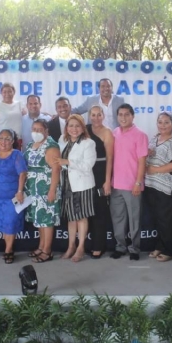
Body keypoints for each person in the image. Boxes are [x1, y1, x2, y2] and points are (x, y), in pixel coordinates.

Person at [54, 114, 96, 263]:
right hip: (66, 184)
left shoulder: (88, 143)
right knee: (71, 218)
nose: (74, 129)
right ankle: (71, 246)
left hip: (82, 185)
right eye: (71, 126)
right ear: (66, 128)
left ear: (83, 128)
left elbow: (87, 166)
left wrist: (68, 162)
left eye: (77, 126)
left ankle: (81, 247)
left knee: (81, 217)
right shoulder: (62, 140)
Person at [110, 104, 148, 260]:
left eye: (126, 114)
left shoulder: (140, 135)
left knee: (134, 219)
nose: (123, 117)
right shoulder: (114, 133)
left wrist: (138, 183)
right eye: (120, 114)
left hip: (133, 185)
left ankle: (134, 249)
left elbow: (142, 161)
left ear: (133, 116)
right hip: (115, 185)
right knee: (118, 218)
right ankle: (120, 247)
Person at [144, 112, 172, 262]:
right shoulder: (154, 139)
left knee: (164, 219)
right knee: (157, 219)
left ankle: (169, 250)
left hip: (167, 186)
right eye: (160, 122)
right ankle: (159, 246)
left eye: (166, 122)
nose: (163, 125)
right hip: (152, 185)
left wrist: (155, 170)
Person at [24, 120, 61, 263]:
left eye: (40, 129)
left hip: (46, 188)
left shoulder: (50, 146)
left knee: (47, 220)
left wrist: (52, 190)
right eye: (34, 129)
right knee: (39, 219)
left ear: (46, 131)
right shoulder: (29, 145)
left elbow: (56, 169)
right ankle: (41, 246)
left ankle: (47, 251)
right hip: (33, 189)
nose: (36, 132)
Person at [0, 129, 28, 264]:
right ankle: (8, 248)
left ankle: (8, 250)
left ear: (13, 141)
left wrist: (20, 191)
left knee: (10, 223)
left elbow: (23, 174)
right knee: (3, 224)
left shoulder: (17, 155)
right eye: (1, 138)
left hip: (13, 196)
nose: (3, 142)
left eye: (7, 139)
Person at [86, 106, 114, 258]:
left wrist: (107, 180)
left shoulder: (107, 132)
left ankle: (99, 245)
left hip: (100, 172)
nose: (96, 118)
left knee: (99, 210)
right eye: (93, 115)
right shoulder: (85, 129)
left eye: (99, 115)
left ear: (103, 115)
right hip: (85, 172)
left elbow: (110, 158)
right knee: (87, 209)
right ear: (89, 116)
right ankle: (88, 243)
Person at [0, 82, 24, 146]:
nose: (7, 94)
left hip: (17, 140)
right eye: (4, 92)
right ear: (1, 93)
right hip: (0, 141)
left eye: (10, 91)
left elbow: (28, 116)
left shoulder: (20, 104)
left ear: (14, 92)